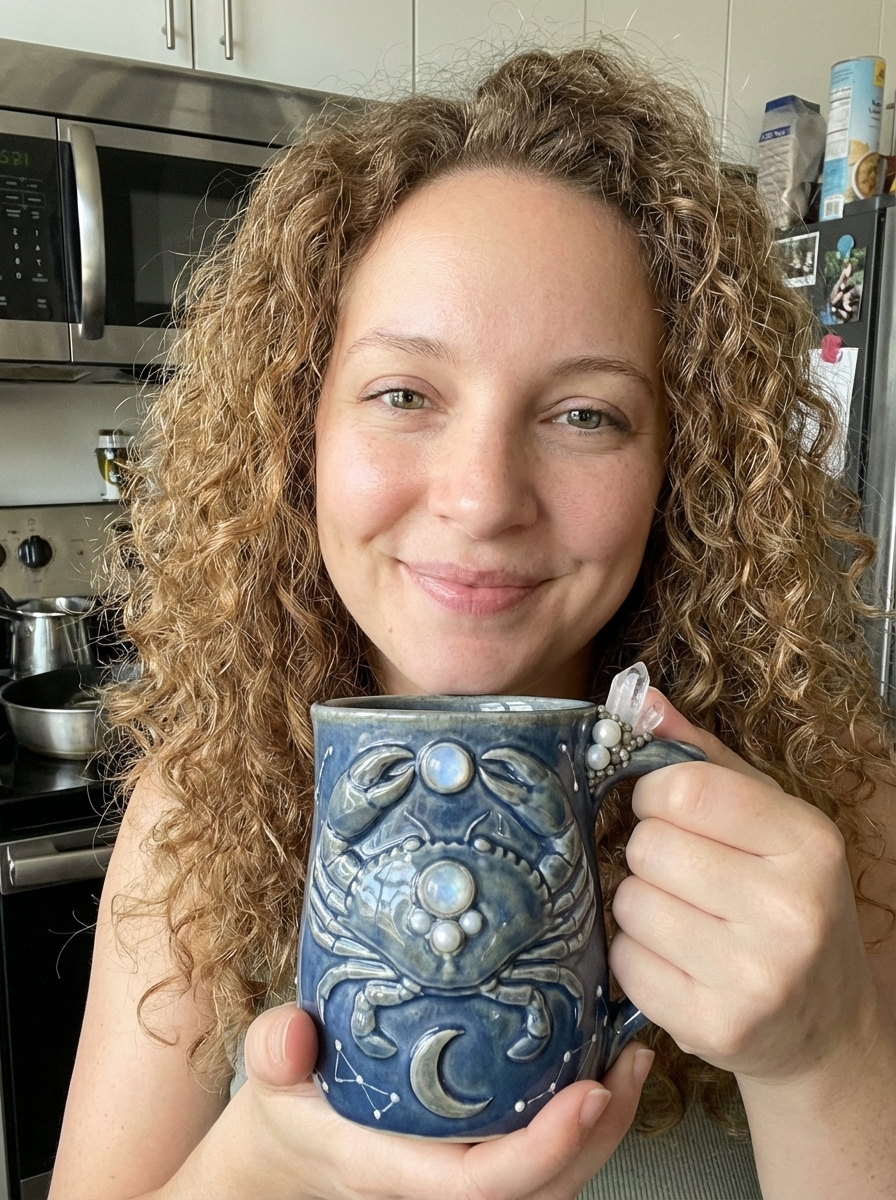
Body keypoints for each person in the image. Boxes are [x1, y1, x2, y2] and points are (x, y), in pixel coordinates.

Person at [49, 46, 894, 1200]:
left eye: (585, 414)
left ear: (679, 468)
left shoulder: (837, 818)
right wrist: (262, 1166)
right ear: (300, 434)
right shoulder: (193, 814)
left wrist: (822, 1054)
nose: (483, 497)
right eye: (403, 394)